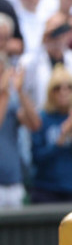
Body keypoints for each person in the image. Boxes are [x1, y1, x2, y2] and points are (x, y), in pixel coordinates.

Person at [29, 63, 72, 202]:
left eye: (69, 87)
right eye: (57, 88)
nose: (63, 92)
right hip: (46, 191)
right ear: (50, 91)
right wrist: (60, 139)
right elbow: (36, 158)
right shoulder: (41, 118)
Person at [0, 54, 39, 207]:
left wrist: (20, 91)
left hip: (14, 183)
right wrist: (4, 93)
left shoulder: (10, 101)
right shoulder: (5, 97)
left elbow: (34, 124)